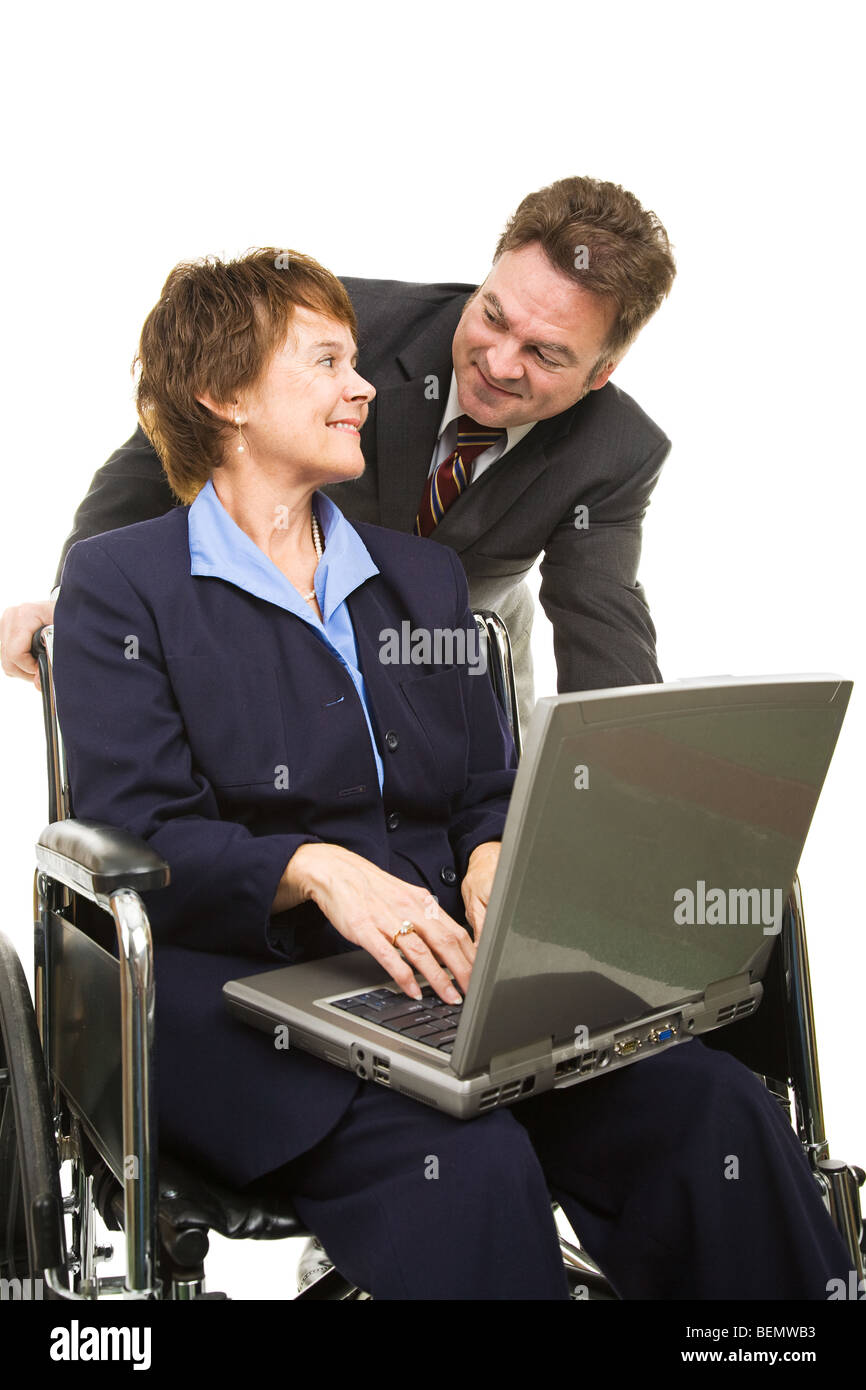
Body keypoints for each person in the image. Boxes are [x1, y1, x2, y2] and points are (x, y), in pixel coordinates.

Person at [51, 247, 852, 1300]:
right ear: (222, 394)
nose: (365, 387)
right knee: (467, 1167)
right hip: (251, 1003)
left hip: (453, 983)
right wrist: (316, 868)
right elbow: (141, 829)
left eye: (355, 360)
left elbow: (484, 783)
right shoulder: (122, 586)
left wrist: (487, 854)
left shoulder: (421, 578)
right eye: (327, 363)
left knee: (713, 1115)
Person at [2, 176, 675, 726]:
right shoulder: (345, 331)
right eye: (493, 316)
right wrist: (77, 599)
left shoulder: (616, 450)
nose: (498, 362)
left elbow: (603, 627)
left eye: (545, 353)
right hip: (292, 627)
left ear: (600, 373)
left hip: (468, 640)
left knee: (505, 820)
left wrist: (634, 773)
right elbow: (160, 451)